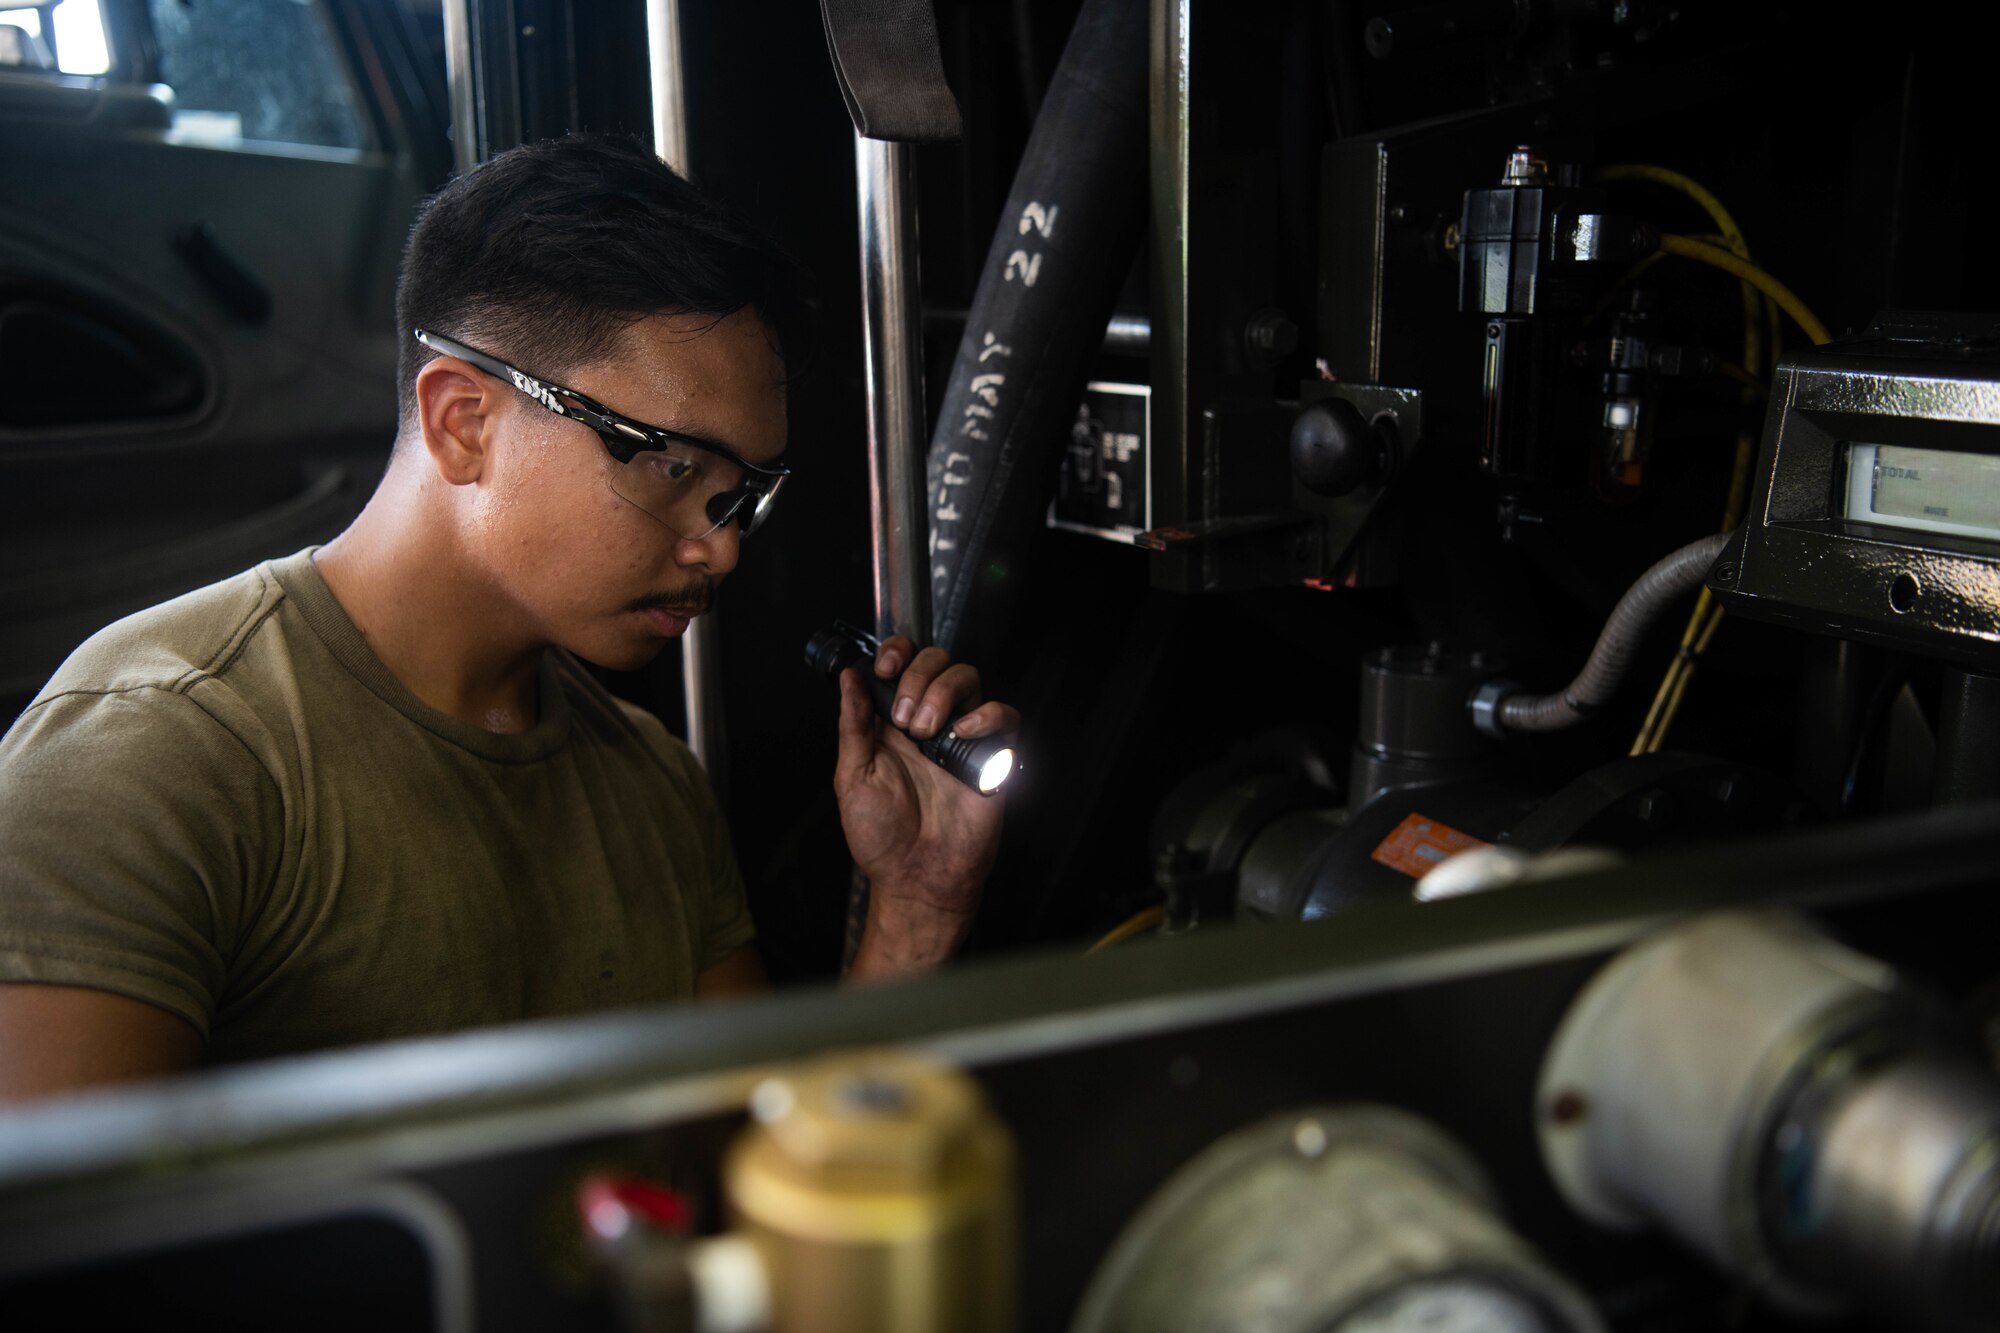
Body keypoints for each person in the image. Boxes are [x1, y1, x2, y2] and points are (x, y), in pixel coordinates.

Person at [0, 135, 1014, 1101]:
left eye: (738, 493)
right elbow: (76, 1265)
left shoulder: (651, 785)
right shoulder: (157, 754)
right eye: (668, 465)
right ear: (463, 421)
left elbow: (760, 1194)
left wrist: (916, 907)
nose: (722, 546)